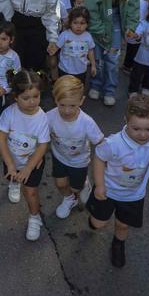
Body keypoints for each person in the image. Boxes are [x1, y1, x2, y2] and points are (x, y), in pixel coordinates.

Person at [87, 93, 149, 268]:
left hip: (133, 195)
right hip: (108, 190)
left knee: (123, 225)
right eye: (136, 129)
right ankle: (95, 219)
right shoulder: (113, 143)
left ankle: (118, 244)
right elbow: (99, 158)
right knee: (98, 223)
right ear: (126, 120)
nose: (143, 134)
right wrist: (100, 184)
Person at [0, 69, 50, 241]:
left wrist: (28, 167)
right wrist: (10, 164)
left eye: (36, 96)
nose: (32, 102)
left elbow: (42, 146)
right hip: (11, 157)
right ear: (15, 97)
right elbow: (1, 137)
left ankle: (34, 217)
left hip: (33, 163)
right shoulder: (9, 113)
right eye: (26, 98)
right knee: (12, 175)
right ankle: (14, 183)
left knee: (31, 192)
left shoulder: (42, 118)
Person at [85, 0, 141, 107]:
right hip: (100, 17)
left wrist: (131, 25)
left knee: (112, 57)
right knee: (97, 56)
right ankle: (95, 85)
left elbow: (134, 3)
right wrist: (98, 28)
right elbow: (91, 5)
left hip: (117, 18)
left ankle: (109, 90)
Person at [47, 75, 103, 219]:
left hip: (79, 162)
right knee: (60, 184)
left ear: (81, 101)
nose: (66, 110)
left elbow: (100, 141)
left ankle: (83, 184)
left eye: (72, 105)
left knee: (75, 187)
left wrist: (112, 159)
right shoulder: (49, 117)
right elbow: (39, 134)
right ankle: (69, 199)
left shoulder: (87, 122)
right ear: (55, 100)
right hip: (59, 157)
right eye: (62, 105)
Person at [56, 6, 97, 84]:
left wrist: (93, 65)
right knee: (65, 91)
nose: (78, 26)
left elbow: (90, 50)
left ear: (87, 24)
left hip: (81, 71)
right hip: (65, 70)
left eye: (82, 23)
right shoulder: (65, 35)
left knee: (78, 91)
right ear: (70, 23)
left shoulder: (88, 36)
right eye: (75, 23)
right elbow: (56, 47)